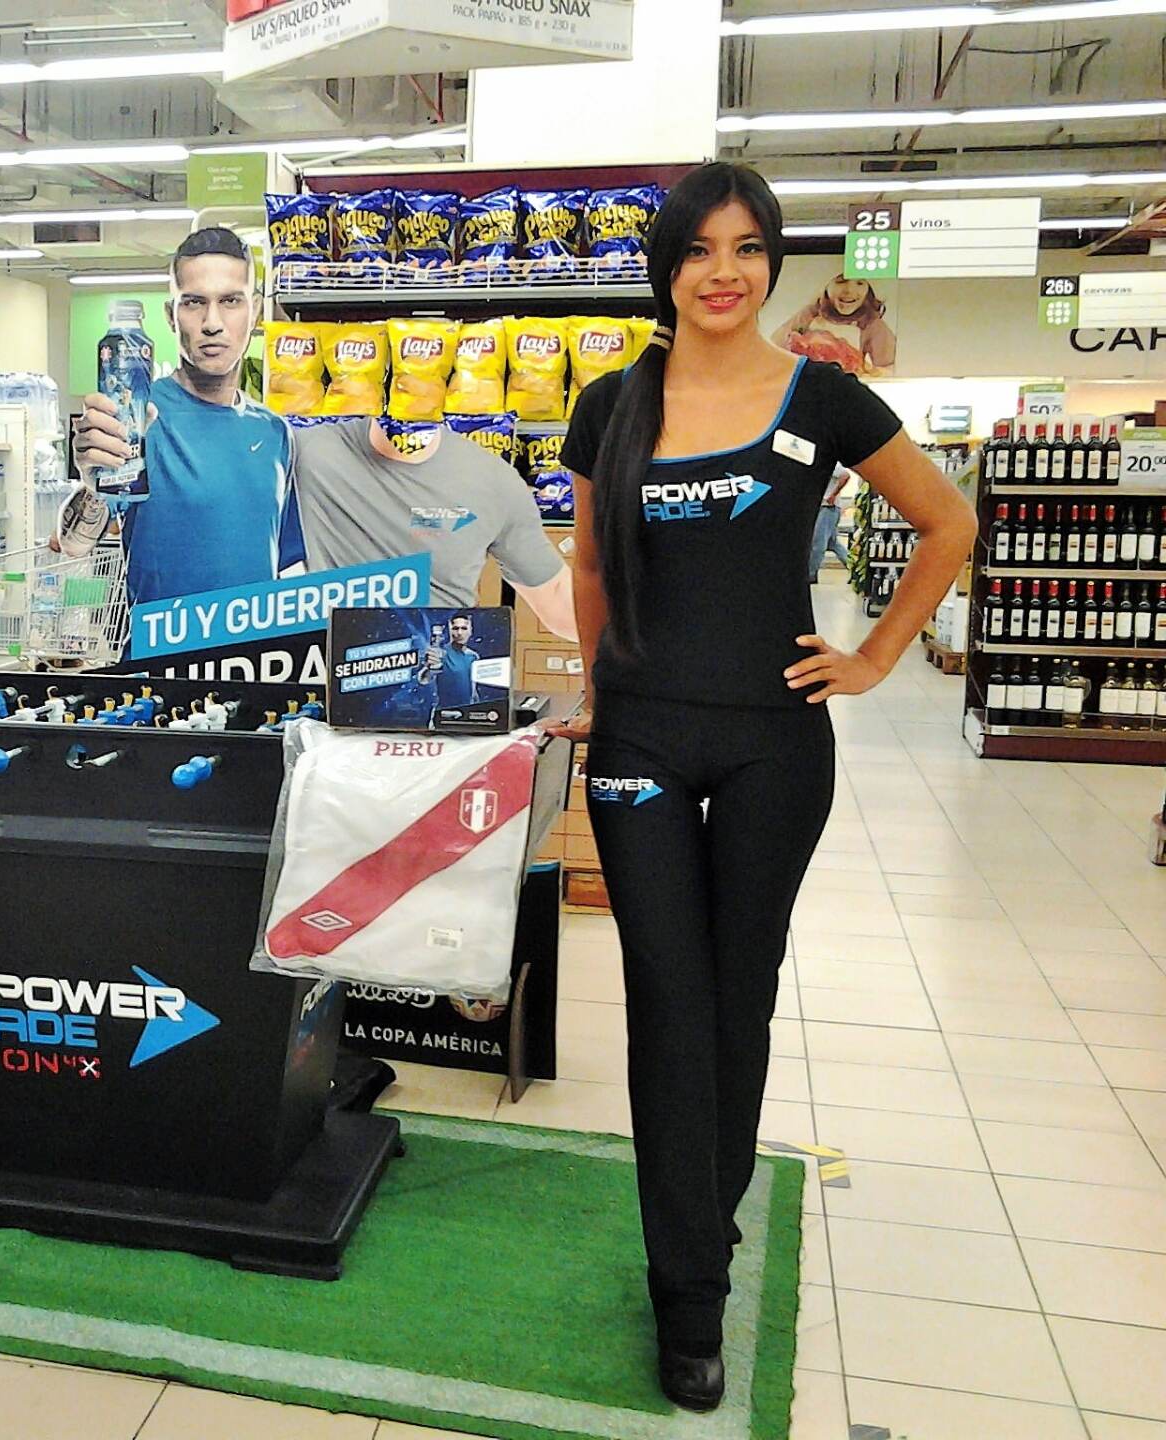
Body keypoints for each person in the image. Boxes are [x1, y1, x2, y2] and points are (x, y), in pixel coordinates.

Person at [553, 163, 973, 1411]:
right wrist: (600, 686)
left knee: (738, 1001)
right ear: (666, 267)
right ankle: (688, 1293)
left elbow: (947, 523)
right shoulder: (614, 404)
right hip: (638, 750)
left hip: (776, 751)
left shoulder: (825, 399)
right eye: (698, 249)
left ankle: (708, 1228)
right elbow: (588, 566)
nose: (722, 271)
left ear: (772, 262)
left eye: (747, 248)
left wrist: (875, 656)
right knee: (667, 1007)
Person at [71, 227, 304, 606]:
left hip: (253, 662)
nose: (212, 322)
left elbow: (286, 564)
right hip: (161, 661)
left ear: (256, 310)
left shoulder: (275, 432)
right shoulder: (139, 420)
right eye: (194, 302)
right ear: (171, 315)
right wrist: (91, 481)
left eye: (231, 301)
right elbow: (74, 544)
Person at [292, 416, 575, 626]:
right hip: (326, 677)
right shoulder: (308, 453)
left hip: (439, 676)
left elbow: (555, 595)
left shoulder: (492, 480)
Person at [772, 274, 897, 376]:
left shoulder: (872, 324)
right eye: (841, 281)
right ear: (826, 286)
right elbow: (776, 345)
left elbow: (889, 367)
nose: (849, 291)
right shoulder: (810, 313)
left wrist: (873, 373)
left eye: (860, 283)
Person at [427, 612, 488, 708]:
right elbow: (424, 678)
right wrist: (429, 667)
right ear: (450, 631)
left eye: (464, 628)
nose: (459, 633)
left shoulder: (473, 656)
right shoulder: (441, 653)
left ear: (470, 631)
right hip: (445, 712)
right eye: (455, 628)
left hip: (467, 712)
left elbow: (473, 688)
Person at [809, 464, 855, 582]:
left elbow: (845, 475)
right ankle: (854, 569)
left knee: (818, 543)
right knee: (832, 543)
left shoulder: (832, 464)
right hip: (826, 507)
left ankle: (810, 575)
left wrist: (833, 495)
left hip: (828, 508)